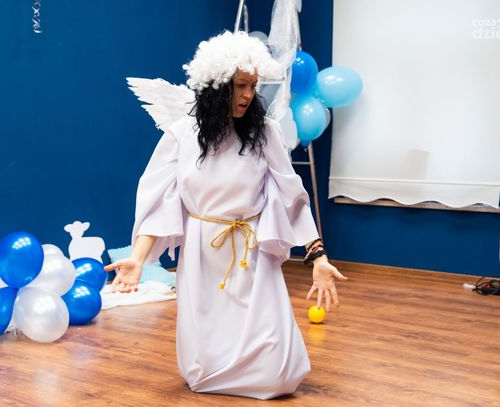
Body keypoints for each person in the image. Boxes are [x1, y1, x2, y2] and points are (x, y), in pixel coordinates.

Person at [104, 31, 347, 400]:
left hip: (252, 250)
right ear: (217, 86)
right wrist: (137, 258)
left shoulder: (265, 133)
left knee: (277, 373)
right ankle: (217, 372)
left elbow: (292, 196)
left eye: (253, 86)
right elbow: (160, 202)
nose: (248, 95)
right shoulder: (182, 135)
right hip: (202, 253)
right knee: (203, 365)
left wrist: (318, 255)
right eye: (240, 85)